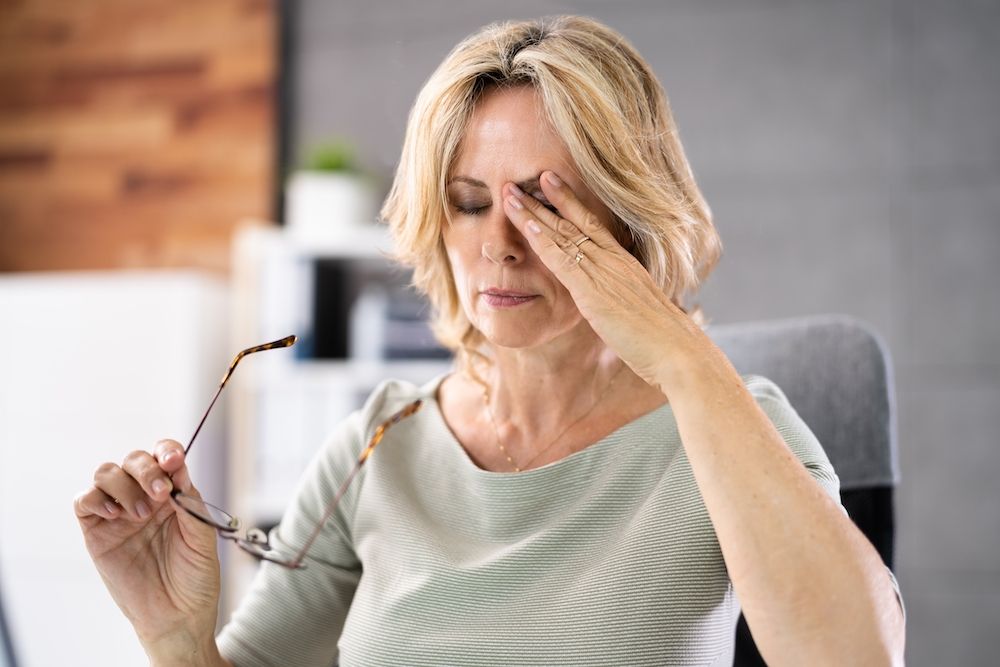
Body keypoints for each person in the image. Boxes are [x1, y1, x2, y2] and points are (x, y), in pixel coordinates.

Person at [74, 15, 905, 666]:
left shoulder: (724, 421)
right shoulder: (379, 444)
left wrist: (675, 354)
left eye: (546, 206)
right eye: (471, 202)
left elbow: (858, 657)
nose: (500, 243)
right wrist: (176, 643)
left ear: (630, 218)